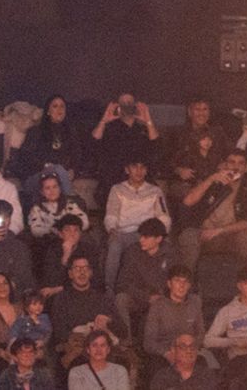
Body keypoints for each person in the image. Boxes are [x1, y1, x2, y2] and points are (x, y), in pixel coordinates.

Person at [178, 150, 247, 271]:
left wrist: (220, 231)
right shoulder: (213, 182)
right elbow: (188, 202)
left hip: (231, 235)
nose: (236, 167)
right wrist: (211, 179)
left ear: (246, 168)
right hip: (204, 234)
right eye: (231, 162)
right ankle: (185, 282)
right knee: (188, 236)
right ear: (224, 165)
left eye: (240, 163)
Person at [102, 158, 169, 291]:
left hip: (148, 232)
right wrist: (112, 229)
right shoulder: (117, 189)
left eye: (142, 167)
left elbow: (164, 216)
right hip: (124, 233)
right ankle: (109, 289)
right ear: (127, 169)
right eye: (134, 167)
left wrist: (160, 233)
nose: (139, 171)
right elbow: (111, 214)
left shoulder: (155, 191)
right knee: (114, 245)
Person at [112, 217, 172, 334]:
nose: (141, 240)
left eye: (146, 237)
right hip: (138, 297)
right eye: (140, 236)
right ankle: (126, 342)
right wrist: (146, 297)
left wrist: (161, 297)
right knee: (121, 299)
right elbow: (122, 283)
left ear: (159, 238)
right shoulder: (132, 252)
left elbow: (176, 281)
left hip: (163, 299)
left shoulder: (171, 254)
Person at [92, 95, 159, 191]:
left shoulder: (142, 129)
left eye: (130, 103)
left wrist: (148, 120)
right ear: (118, 107)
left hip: (139, 179)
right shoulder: (110, 128)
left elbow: (155, 144)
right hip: (113, 180)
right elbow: (94, 141)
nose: (127, 106)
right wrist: (103, 121)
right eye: (124, 103)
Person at [143, 267, 204, 367]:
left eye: (186, 282)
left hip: (188, 351)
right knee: (156, 366)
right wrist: (166, 353)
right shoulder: (158, 306)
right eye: (177, 281)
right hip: (165, 353)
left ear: (189, 285)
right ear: (169, 284)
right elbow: (149, 342)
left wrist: (190, 350)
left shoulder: (195, 304)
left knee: (202, 364)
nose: (182, 286)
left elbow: (200, 333)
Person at [147, 333, 217, 390]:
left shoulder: (207, 376)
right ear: (173, 350)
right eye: (183, 347)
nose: (189, 351)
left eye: (192, 347)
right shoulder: (161, 377)